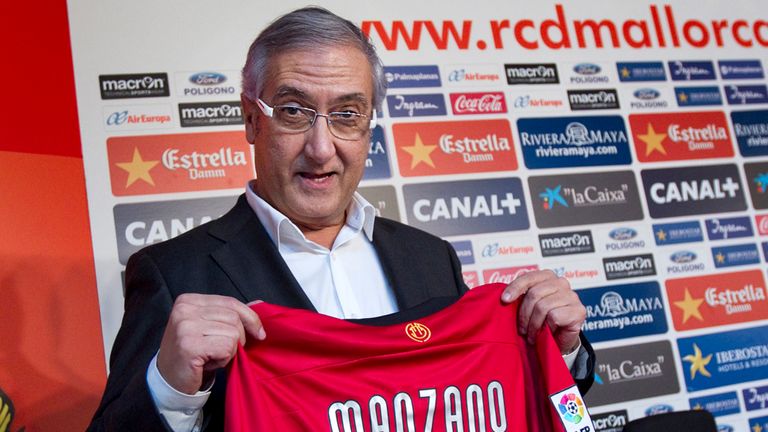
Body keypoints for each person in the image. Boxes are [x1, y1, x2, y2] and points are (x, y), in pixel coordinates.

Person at [88, 6, 593, 431]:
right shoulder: (173, 273)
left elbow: (489, 402)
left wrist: (556, 348)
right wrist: (171, 388)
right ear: (250, 118)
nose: (321, 147)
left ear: (369, 128)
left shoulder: (429, 256)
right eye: (293, 111)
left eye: (347, 115)